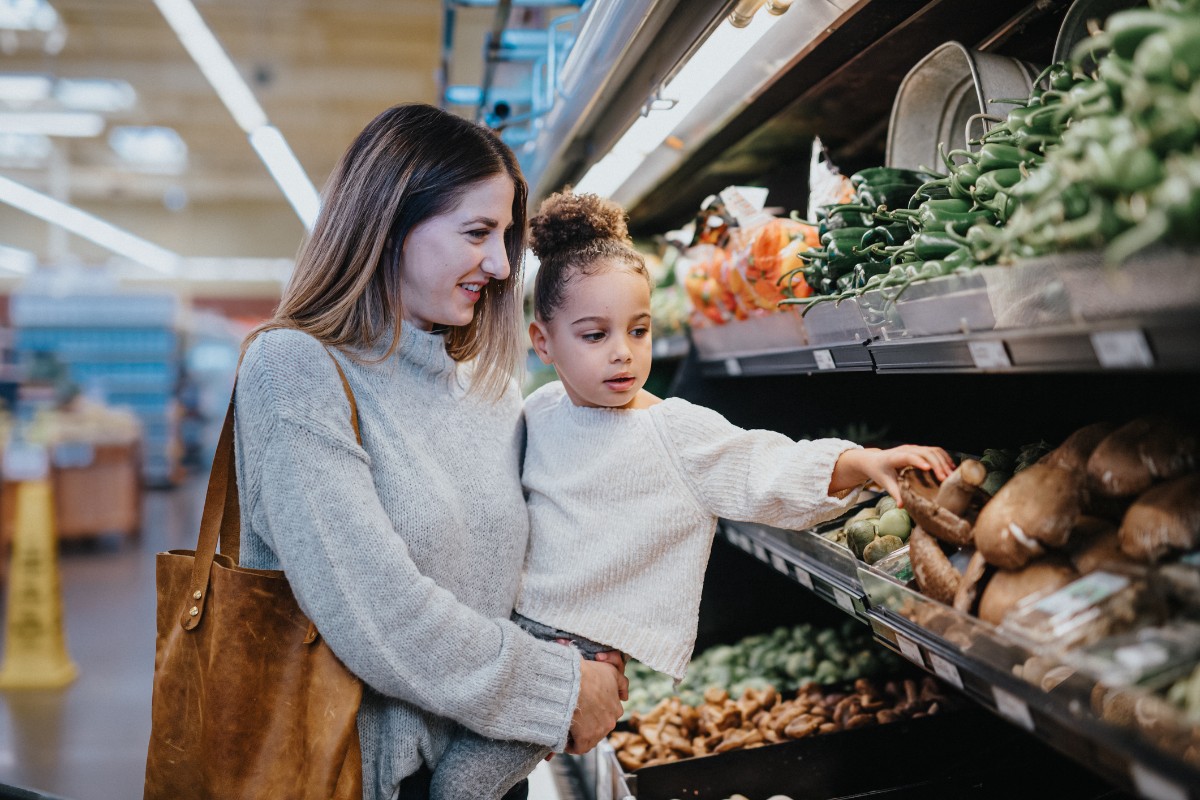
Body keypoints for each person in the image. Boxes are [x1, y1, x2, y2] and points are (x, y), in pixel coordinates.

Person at [429, 191, 955, 799]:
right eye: (595, 335)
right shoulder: (540, 408)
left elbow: (764, 465)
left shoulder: (672, 429)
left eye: (640, 329)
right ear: (543, 343)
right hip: (510, 643)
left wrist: (862, 460)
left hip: (576, 657)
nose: (623, 351)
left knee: (464, 785)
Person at [232, 106, 627, 800]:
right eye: (477, 232)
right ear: (388, 225)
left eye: (505, 237)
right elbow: (381, 616)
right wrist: (558, 691)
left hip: (485, 775)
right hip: (353, 780)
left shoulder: (494, 393)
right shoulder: (294, 371)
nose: (502, 266)